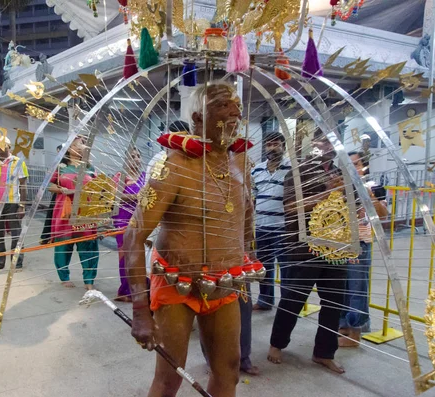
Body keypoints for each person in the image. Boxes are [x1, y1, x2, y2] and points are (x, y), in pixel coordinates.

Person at [124, 82, 254, 396]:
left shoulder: (241, 163)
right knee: (170, 378)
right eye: (222, 106)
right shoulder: (176, 167)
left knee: (230, 369)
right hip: (176, 283)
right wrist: (141, 310)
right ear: (198, 118)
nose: (235, 112)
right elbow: (133, 235)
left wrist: (246, 263)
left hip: (225, 283)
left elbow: (245, 218)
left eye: (236, 105)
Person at [267, 132, 347, 374]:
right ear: (314, 144)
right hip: (305, 247)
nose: (329, 146)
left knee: (334, 303)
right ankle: (276, 345)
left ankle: (324, 353)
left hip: (336, 247)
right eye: (324, 141)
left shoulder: (340, 173)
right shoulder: (299, 171)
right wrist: (328, 193)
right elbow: (291, 206)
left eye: (333, 142)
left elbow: (350, 206)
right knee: (294, 299)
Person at [339, 151, 388, 347]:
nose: (352, 168)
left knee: (357, 288)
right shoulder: (339, 187)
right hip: (339, 243)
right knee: (341, 287)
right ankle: (343, 324)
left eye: (356, 164)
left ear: (363, 166)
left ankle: (355, 332)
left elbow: (383, 215)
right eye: (347, 165)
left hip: (360, 243)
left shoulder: (373, 186)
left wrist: (369, 197)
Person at [48, 137, 99, 290]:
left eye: (84, 144)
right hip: (65, 211)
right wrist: (60, 190)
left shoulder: (90, 168)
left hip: (86, 210)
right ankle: (64, 276)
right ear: (69, 148)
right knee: (64, 244)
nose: (82, 147)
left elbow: (98, 188)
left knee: (88, 244)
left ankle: (89, 279)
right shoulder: (61, 167)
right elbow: (50, 185)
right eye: (78, 144)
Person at [252, 132, 290, 310]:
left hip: (283, 227)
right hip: (261, 226)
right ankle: (265, 300)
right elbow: (251, 197)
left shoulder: (292, 170)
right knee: (264, 265)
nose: (272, 148)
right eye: (268, 145)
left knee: (286, 267)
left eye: (276, 144)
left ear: (283, 146)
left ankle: (287, 304)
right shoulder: (257, 170)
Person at [0, 137, 29, 270]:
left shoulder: (19, 163)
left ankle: (16, 262)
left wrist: (22, 206)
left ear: (9, 147)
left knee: (16, 233)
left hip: (13, 203)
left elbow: (23, 186)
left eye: (2, 146)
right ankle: (0, 261)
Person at [113, 147, 146, 302]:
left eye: (138, 155)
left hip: (142, 218)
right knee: (125, 254)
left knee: (140, 254)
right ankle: (125, 291)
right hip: (123, 219)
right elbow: (114, 197)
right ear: (126, 159)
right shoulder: (120, 177)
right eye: (133, 156)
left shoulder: (145, 177)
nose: (137, 159)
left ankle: (140, 288)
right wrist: (135, 196)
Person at [40, 144, 65, 245]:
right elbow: (50, 181)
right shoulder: (59, 165)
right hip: (59, 193)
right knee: (52, 214)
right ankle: (47, 236)